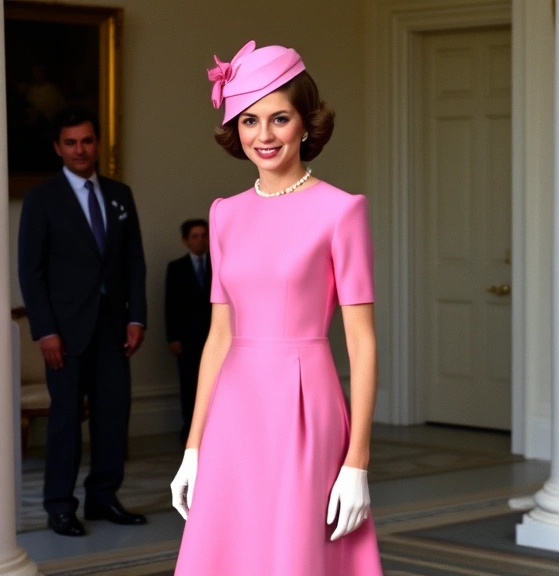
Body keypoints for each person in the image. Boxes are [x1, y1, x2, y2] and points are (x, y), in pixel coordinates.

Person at [170, 41, 383, 575]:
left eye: (279, 118)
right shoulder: (224, 215)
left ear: (306, 124)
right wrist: (194, 447)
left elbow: (361, 341)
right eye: (248, 120)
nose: (262, 136)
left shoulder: (341, 211)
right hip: (234, 412)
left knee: (294, 555)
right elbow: (219, 337)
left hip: (304, 406)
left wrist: (357, 459)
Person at [18, 108, 148, 537]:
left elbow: (134, 263)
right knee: (65, 422)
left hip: (114, 330)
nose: (80, 150)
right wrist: (45, 330)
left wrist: (137, 317)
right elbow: (30, 272)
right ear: (58, 147)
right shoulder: (42, 199)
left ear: (97, 144)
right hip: (65, 333)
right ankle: (59, 506)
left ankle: (103, 497)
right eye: (71, 143)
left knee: (114, 416)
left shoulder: (120, 194)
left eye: (87, 141)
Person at [164, 219, 212, 444]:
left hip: (214, 337)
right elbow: (170, 304)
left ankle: (214, 433)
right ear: (186, 240)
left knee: (216, 387)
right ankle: (191, 434)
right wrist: (172, 337)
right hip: (188, 339)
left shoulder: (218, 264)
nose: (200, 240)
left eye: (204, 235)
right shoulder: (176, 268)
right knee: (189, 386)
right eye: (195, 236)